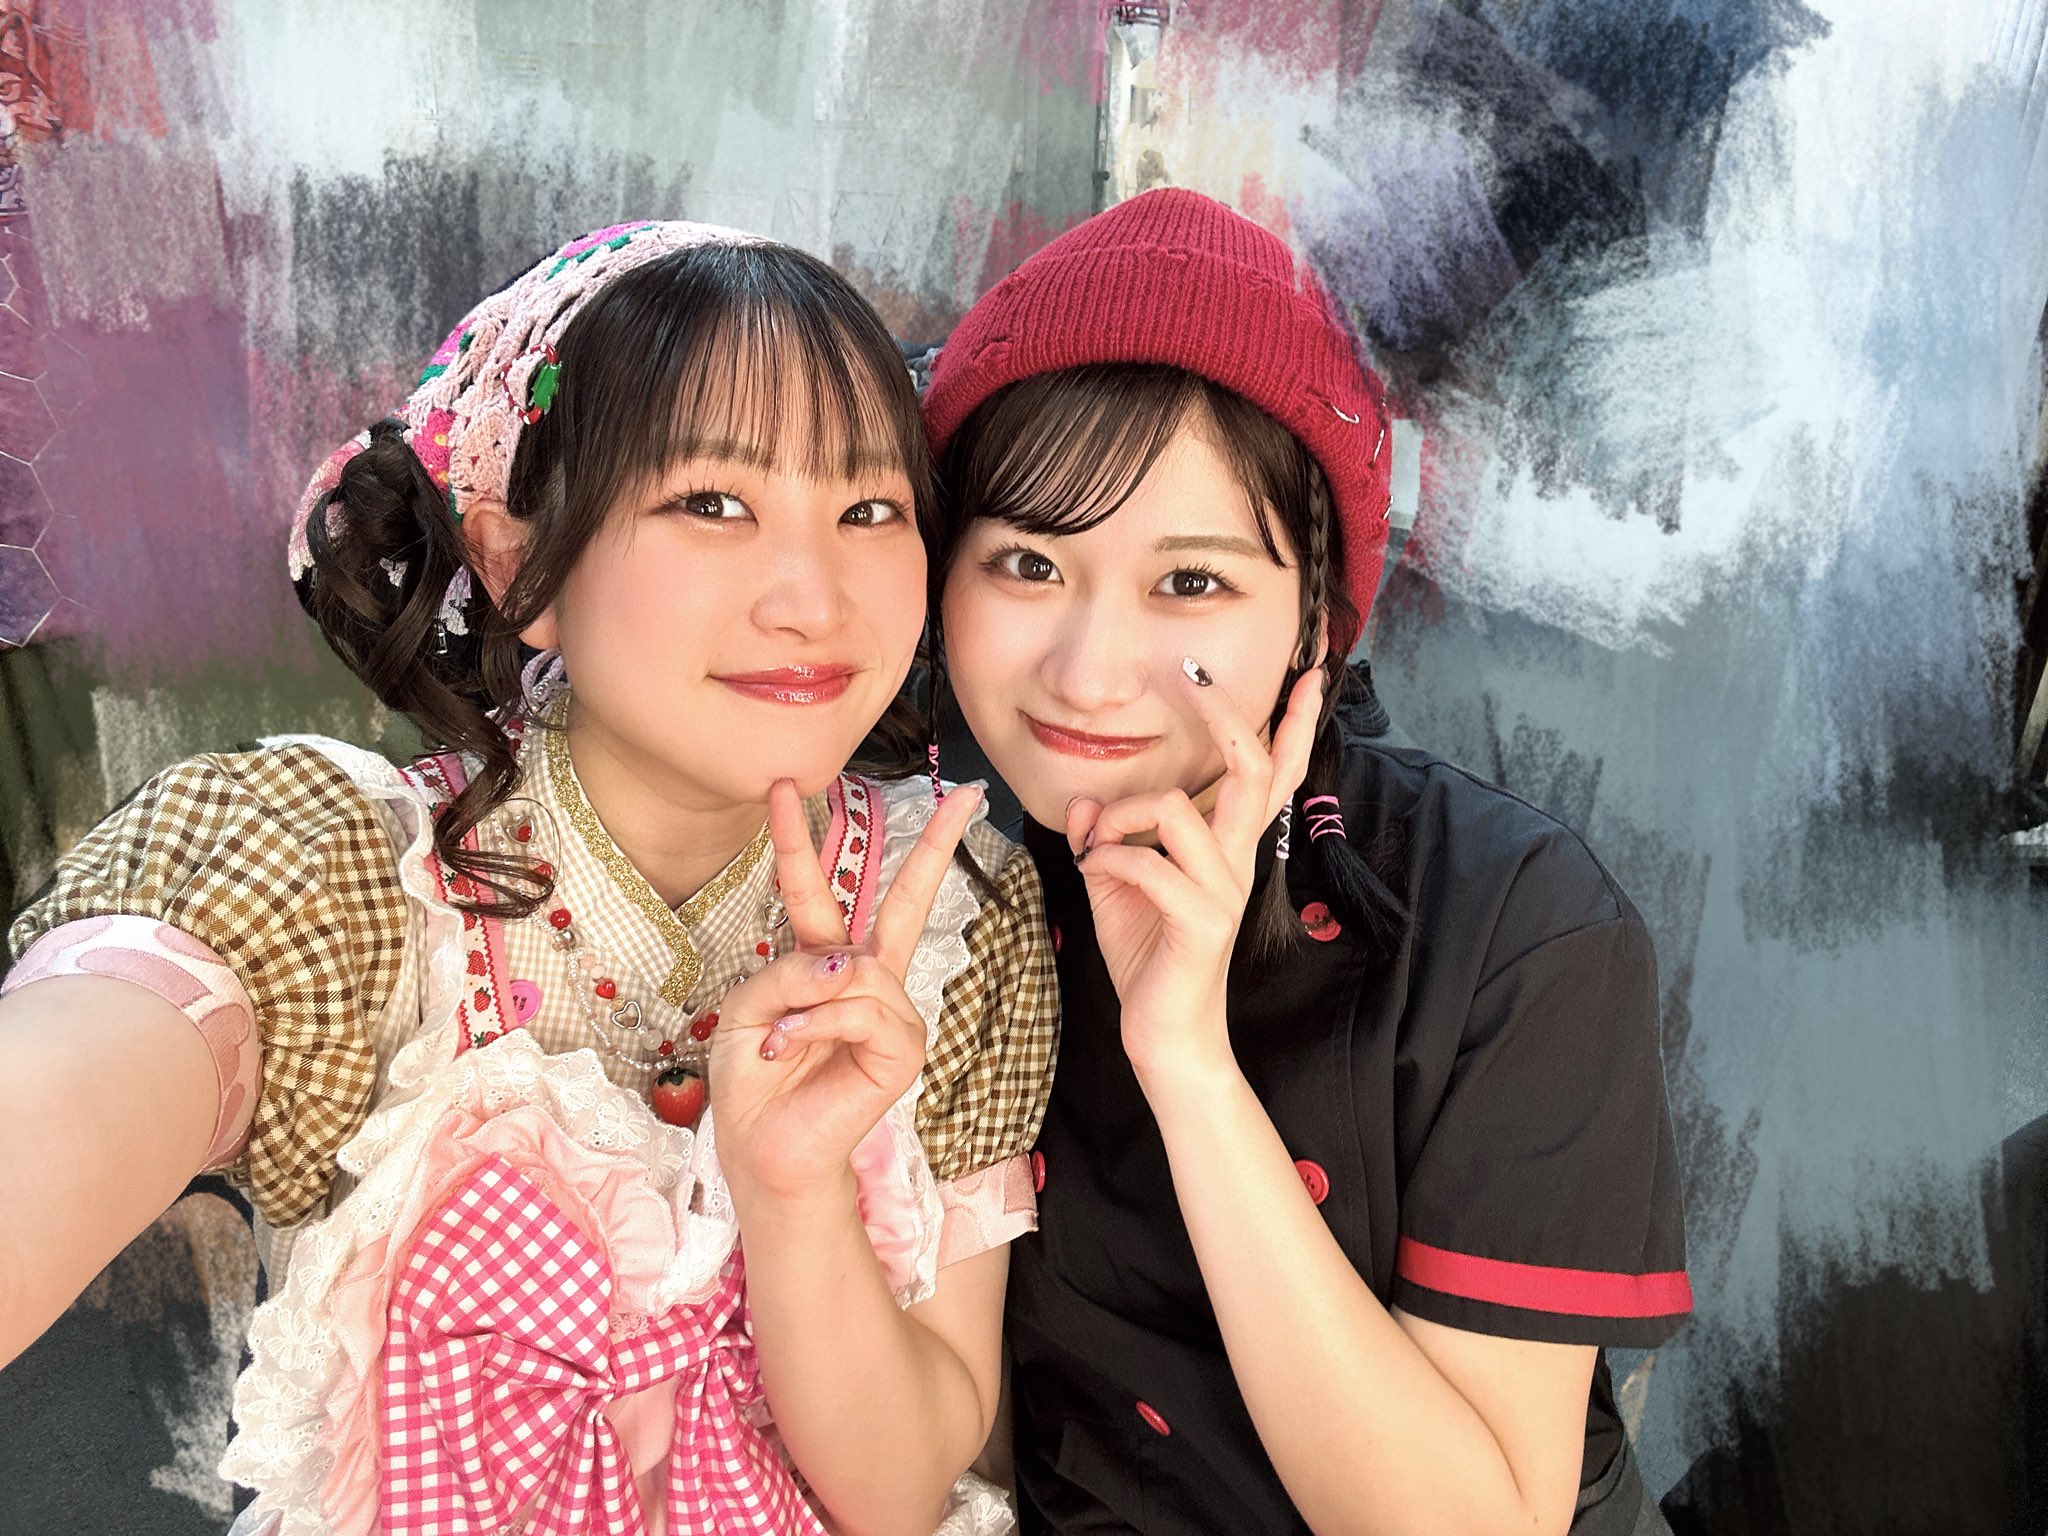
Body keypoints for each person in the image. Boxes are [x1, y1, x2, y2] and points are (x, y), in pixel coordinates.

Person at [0, 220, 1056, 1536]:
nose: (813, 596)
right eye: (711, 503)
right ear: (517, 563)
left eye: (869, 509)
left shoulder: (951, 914)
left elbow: (898, 1494)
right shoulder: (344, 880)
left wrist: (794, 1197)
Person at [923, 188, 1691, 1536]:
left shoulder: (1515, 927)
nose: (1089, 673)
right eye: (1029, 563)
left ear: (1314, 624)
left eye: (1193, 583)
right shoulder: (932, 881)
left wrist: (1189, 1066)